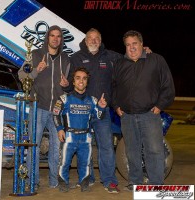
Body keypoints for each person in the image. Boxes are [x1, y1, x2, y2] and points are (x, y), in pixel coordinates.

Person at [112, 30, 175, 191]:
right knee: (132, 151)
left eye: (134, 44)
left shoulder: (156, 60)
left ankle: (156, 184)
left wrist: (160, 106)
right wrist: (116, 106)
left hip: (150, 115)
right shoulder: (120, 64)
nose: (131, 48)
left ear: (142, 44)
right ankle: (135, 182)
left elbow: (168, 86)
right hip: (127, 116)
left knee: (154, 150)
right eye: (128, 45)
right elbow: (113, 88)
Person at [61, 28, 122, 193]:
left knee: (106, 146)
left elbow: (131, 59)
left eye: (97, 38)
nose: (94, 41)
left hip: (102, 111)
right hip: (81, 112)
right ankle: (88, 178)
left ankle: (109, 181)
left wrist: (145, 53)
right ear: (85, 40)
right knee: (84, 145)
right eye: (90, 38)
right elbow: (70, 85)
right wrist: (65, 87)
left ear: (100, 40)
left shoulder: (111, 57)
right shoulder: (76, 58)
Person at [18, 25, 70, 189]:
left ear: (61, 40)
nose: (55, 39)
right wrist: (36, 71)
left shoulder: (66, 60)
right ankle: (31, 181)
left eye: (58, 36)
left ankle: (54, 182)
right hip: (38, 107)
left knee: (57, 147)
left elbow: (68, 86)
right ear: (47, 37)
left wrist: (67, 85)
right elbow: (22, 76)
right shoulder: (35, 55)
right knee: (34, 145)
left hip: (57, 110)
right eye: (52, 35)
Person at [53, 67, 107, 192]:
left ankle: (84, 183)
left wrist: (102, 107)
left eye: (84, 78)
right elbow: (56, 114)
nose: (81, 81)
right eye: (78, 78)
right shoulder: (63, 98)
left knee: (85, 163)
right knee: (64, 163)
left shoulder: (93, 100)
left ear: (87, 82)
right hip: (69, 136)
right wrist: (60, 129)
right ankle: (63, 183)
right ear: (73, 82)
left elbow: (99, 116)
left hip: (86, 137)